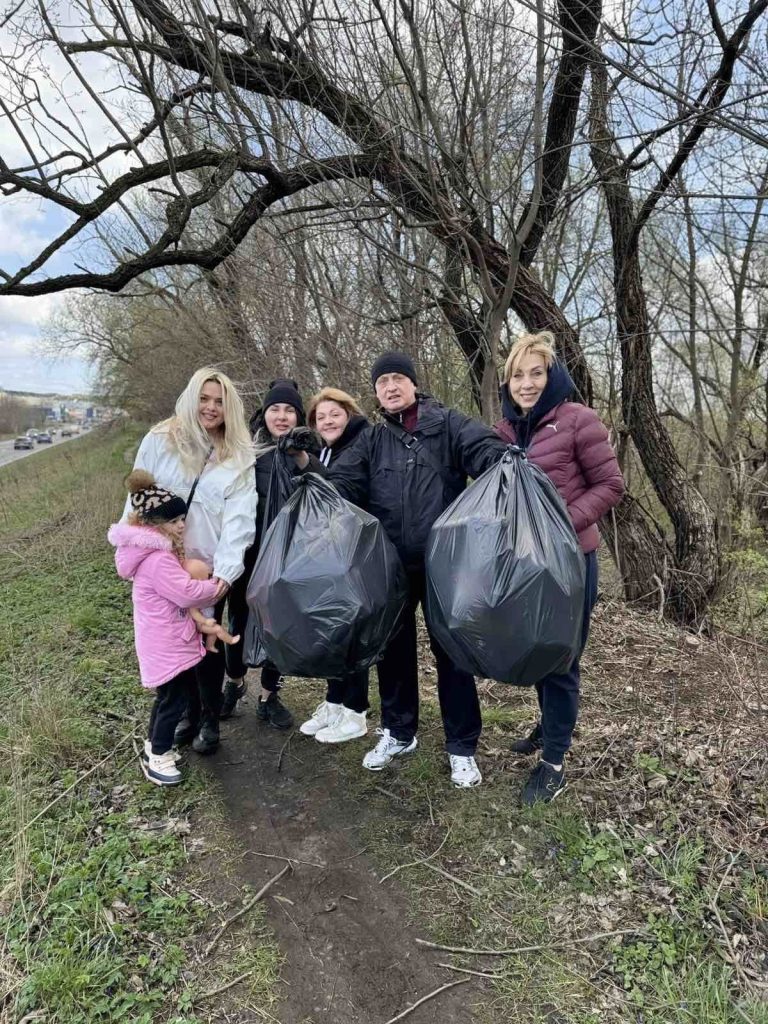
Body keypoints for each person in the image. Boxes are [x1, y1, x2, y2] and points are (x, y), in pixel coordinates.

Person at [328, 352, 507, 787]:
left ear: (412, 383)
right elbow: (345, 481)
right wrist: (313, 478)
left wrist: (504, 460)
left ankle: (461, 746)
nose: (390, 387)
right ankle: (398, 731)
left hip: (444, 562)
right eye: (381, 382)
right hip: (391, 563)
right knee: (392, 650)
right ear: (375, 392)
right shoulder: (372, 440)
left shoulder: (447, 424)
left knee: (452, 652)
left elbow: (483, 450)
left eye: (397, 378)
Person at [495, 331, 624, 805]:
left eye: (536, 373)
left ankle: (553, 763)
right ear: (508, 382)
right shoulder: (505, 431)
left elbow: (611, 485)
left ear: (552, 377)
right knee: (537, 649)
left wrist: (559, 523)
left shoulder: (577, 419)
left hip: (571, 561)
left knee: (562, 657)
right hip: (526, 564)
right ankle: (547, 725)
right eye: (518, 375)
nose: (526, 383)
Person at [126, 368, 256, 755]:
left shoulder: (237, 455)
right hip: (163, 564)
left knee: (207, 637)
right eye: (204, 398)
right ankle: (186, 711)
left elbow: (240, 519)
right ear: (191, 399)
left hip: (206, 566)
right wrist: (132, 552)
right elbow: (137, 500)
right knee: (174, 639)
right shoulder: (159, 440)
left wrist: (226, 574)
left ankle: (209, 718)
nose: (211, 407)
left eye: (219, 401)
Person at [108, 471, 221, 786]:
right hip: (167, 642)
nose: (182, 525)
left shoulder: (151, 554)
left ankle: (154, 747)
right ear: (152, 525)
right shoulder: (158, 560)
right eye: (174, 521)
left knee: (168, 697)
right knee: (175, 700)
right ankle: (158, 755)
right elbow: (187, 592)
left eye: (182, 518)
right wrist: (216, 586)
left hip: (163, 640)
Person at [221, 378, 321, 729]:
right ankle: (234, 683)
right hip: (247, 554)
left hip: (288, 557)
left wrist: (302, 457)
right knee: (238, 620)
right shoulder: (246, 451)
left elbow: (326, 490)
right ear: (263, 414)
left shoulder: (306, 453)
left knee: (279, 626)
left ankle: (269, 695)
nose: (281, 416)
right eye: (274, 409)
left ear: (298, 416)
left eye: (289, 410)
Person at [298, 387, 371, 743]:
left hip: (356, 552)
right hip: (330, 552)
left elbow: (340, 490)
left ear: (349, 414)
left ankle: (356, 711)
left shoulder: (360, 445)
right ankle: (335, 701)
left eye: (335, 414)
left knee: (352, 631)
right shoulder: (325, 450)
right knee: (333, 628)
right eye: (321, 417)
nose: (327, 421)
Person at [184, 558, 240, 652]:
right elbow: (194, 614)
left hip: (208, 619)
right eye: (207, 576)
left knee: (212, 633)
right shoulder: (194, 598)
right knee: (218, 629)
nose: (210, 579)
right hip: (201, 624)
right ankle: (230, 640)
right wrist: (205, 621)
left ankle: (209, 646)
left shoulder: (204, 588)